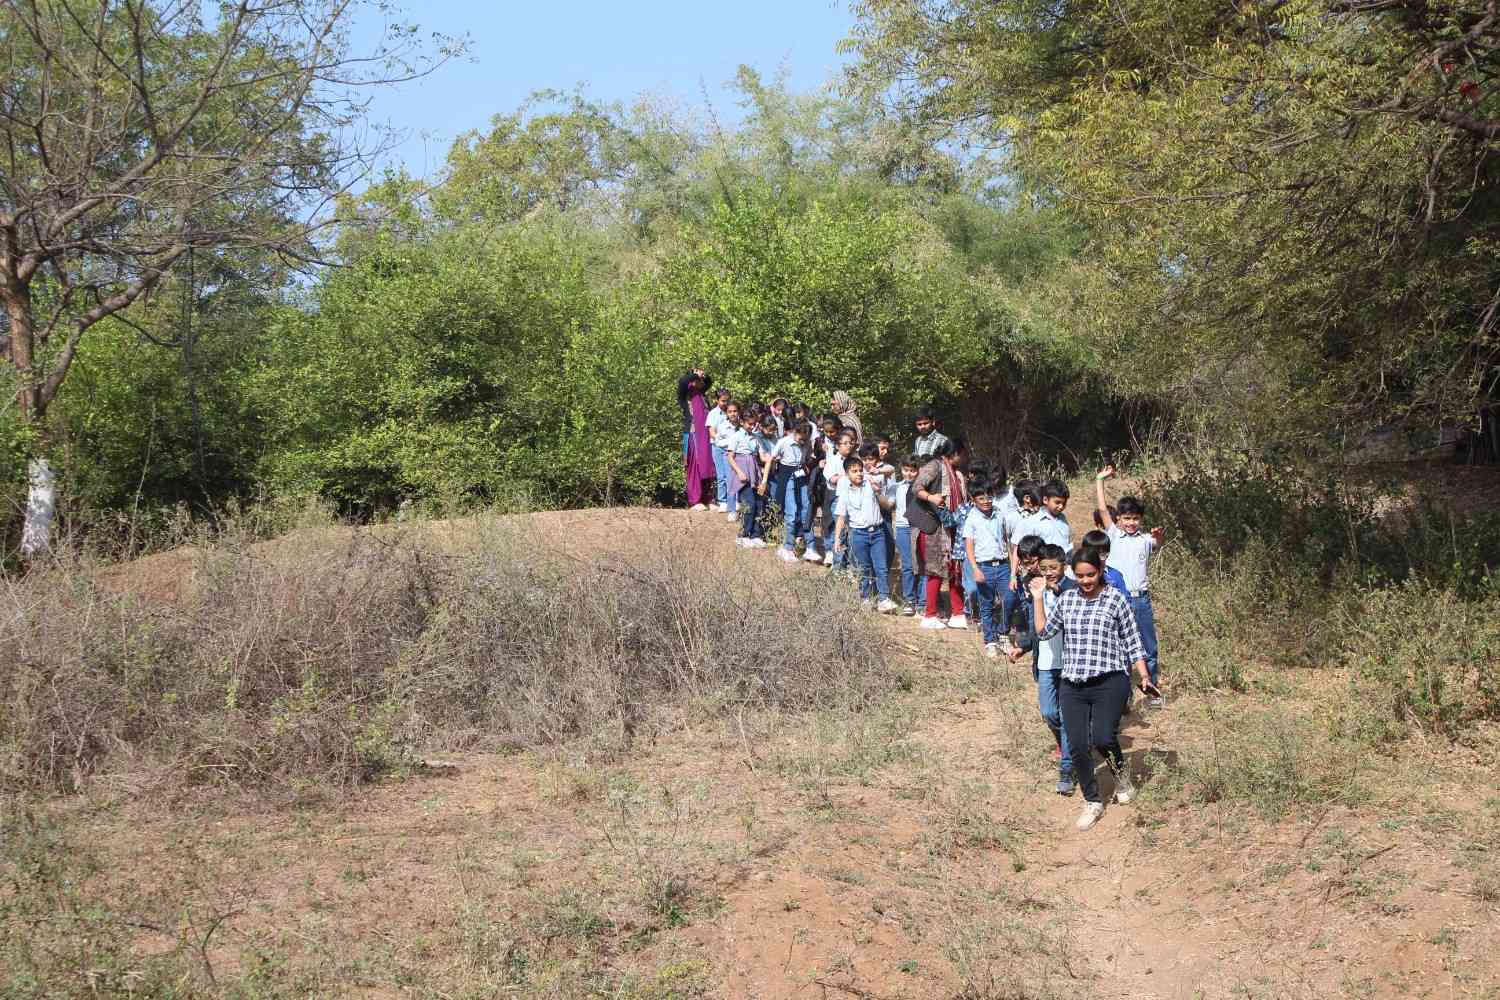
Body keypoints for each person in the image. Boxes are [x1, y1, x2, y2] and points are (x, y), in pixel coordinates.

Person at [1031, 548, 1160, 831]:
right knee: (1077, 745)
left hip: (1109, 681)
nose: (1086, 580)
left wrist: (1144, 675)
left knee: (1102, 737)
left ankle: (1120, 775)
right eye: (1080, 576)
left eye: (1090, 574)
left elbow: (1133, 640)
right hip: (1073, 684)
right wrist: (1038, 598)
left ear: (1100, 571)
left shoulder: (1115, 599)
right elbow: (1044, 632)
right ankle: (1092, 800)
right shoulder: (1067, 600)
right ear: (1072, 575)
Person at [1010, 543, 1077, 795]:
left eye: (1054, 568)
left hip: (1071, 663)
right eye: (1045, 568)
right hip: (1046, 662)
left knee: (1067, 715)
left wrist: (1053, 588)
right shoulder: (1035, 589)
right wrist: (1024, 647)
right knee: (1049, 712)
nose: (1049, 573)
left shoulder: (1072, 589)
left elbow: (1069, 597)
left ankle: (1067, 769)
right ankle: (1072, 743)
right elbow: (1034, 624)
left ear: (1064, 567)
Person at [1096, 466, 1167, 705]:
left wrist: (1158, 536)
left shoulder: (1146, 540)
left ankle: (1152, 691)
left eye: (1135, 518)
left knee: (1148, 646)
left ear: (1141, 519)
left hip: (1141, 600)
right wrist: (1099, 480)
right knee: (1120, 649)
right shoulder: (1114, 535)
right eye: (1126, 518)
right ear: (1118, 519)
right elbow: (1103, 508)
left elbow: (1157, 541)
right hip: (1118, 600)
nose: (1131, 522)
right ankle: (1122, 697)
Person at [833, 455, 899, 612]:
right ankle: (866, 598)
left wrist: (878, 492)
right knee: (863, 568)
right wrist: (837, 538)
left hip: (877, 532)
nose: (859, 474)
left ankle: (883, 598)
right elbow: (841, 517)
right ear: (847, 473)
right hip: (858, 534)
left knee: (881, 566)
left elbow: (890, 471)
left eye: (860, 470)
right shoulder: (845, 492)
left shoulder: (870, 483)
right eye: (854, 471)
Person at [962, 476, 1009, 657]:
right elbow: (969, 546)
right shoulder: (972, 518)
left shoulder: (999, 514)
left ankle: (1003, 635)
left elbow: (1005, 537)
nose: (986, 501)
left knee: (1008, 601)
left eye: (989, 497)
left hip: (1003, 564)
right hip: (984, 566)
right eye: (981, 498)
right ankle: (990, 640)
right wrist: (975, 568)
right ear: (974, 500)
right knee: (987, 604)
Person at [908, 447, 953, 630]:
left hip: (941, 526)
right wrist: (932, 498)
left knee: (939, 570)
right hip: (929, 526)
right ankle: (929, 613)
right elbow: (917, 487)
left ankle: (936, 611)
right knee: (933, 570)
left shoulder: (953, 472)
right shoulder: (935, 466)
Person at [760, 421, 813, 563]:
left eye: (806, 439)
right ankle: (787, 547)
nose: (803, 442)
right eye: (801, 438)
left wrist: (807, 465)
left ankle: (808, 544)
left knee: (805, 508)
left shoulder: (807, 443)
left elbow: (807, 458)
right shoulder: (784, 442)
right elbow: (770, 459)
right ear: (795, 432)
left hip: (800, 475)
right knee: (791, 510)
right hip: (787, 475)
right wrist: (764, 481)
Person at [676, 368, 716, 510]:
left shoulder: (702, 394)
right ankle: (695, 500)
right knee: (694, 466)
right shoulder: (684, 394)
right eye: (697, 380)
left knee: (709, 466)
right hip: (693, 434)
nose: (700, 382)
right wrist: (694, 374)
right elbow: (682, 381)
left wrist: (704, 374)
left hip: (706, 435)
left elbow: (709, 381)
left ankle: (708, 499)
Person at [730, 411, 770, 548]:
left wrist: (772, 457)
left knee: (759, 504)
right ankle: (744, 534)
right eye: (749, 424)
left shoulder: (755, 438)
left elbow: (762, 456)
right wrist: (739, 472)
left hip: (754, 471)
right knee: (749, 504)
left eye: (754, 424)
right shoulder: (736, 437)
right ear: (742, 422)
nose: (752, 427)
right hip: (743, 472)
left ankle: (756, 534)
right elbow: (730, 457)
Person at [821, 429, 857, 567]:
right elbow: (832, 479)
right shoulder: (833, 461)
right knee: (840, 533)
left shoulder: (856, 460)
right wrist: (849, 476)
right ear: (837, 445)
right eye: (845, 443)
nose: (849, 446)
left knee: (853, 533)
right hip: (839, 499)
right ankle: (838, 567)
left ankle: (851, 565)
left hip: (854, 499)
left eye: (851, 443)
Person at [892, 456, 923, 615]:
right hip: (903, 528)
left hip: (919, 528)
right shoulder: (897, 487)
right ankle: (909, 599)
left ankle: (922, 600)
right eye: (906, 470)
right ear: (901, 470)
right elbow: (890, 504)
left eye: (913, 470)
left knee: (921, 564)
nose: (909, 474)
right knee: (907, 565)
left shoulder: (923, 487)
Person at [706, 388, 734, 514]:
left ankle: (731, 500)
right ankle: (722, 501)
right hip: (717, 447)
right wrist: (721, 441)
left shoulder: (732, 412)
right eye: (723, 401)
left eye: (727, 400)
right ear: (717, 400)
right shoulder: (713, 413)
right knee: (721, 475)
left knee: (730, 475)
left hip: (730, 448)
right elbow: (711, 432)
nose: (725, 403)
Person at [1079, 529, 1129, 594]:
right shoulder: (1077, 575)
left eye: (1101, 554)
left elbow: (1125, 598)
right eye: (1091, 554)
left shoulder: (1115, 576)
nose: (1095, 558)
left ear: (1107, 554)